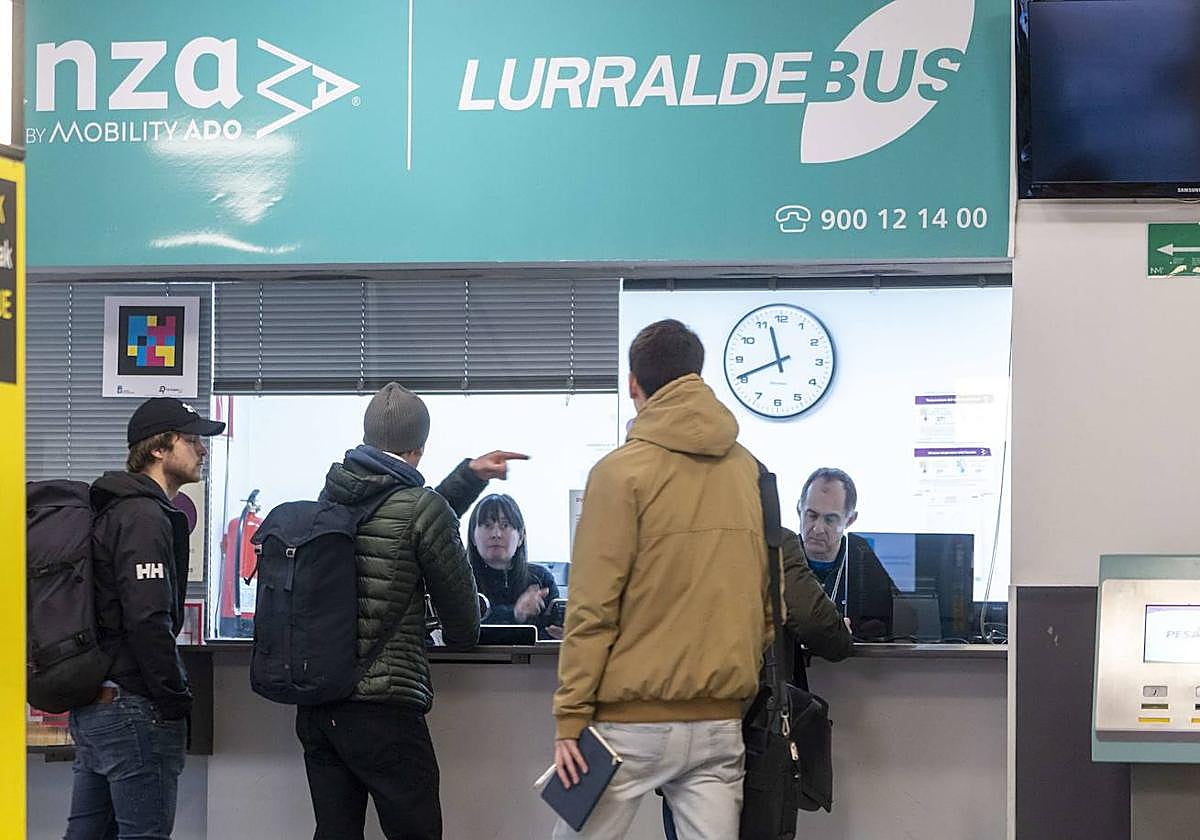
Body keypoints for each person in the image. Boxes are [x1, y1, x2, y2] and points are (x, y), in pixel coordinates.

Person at [552, 319, 772, 840]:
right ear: (697, 375)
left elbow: (592, 608)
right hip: (720, 722)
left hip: (627, 724)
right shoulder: (749, 470)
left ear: (634, 385)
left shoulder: (618, 473)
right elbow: (767, 599)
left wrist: (571, 716)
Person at [296, 382, 527, 840]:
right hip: (386, 709)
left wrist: (468, 476)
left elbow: (405, 516)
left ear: (367, 439)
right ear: (419, 447)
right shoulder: (420, 509)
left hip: (320, 706)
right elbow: (463, 625)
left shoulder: (330, 499)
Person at [65, 398, 225, 840]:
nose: (202, 450)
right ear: (158, 448)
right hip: (134, 708)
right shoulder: (142, 516)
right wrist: (175, 700)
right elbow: (148, 619)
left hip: (99, 703)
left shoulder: (114, 509)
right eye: (191, 440)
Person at [798, 467, 898, 640]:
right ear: (799, 509)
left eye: (830, 519)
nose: (818, 529)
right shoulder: (780, 557)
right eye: (811, 516)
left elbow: (881, 632)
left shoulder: (865, 561)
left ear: (850, 520)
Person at [467, 493, 563, 639]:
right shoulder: (461, 580)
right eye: (487, 525)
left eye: (505, 525)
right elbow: (461, 630)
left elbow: (551, 633)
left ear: (521, 536)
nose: (496, 534)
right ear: (473, 537)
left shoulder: (541, 578)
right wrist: (514, 614)